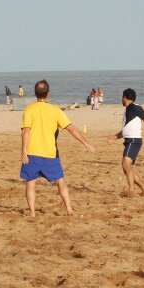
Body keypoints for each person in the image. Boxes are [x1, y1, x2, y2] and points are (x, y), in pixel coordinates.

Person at [20, 79, 94, 216]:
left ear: (36, 94)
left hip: (32, 152)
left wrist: (23, 150)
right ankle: (69, 210)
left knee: (31, 182)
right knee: (60, 181)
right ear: (48, 95)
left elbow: (26, 131)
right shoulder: (55, 110)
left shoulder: (29, 109)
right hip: (50, 153)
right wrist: (86, 143)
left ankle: (32, 212)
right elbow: (71, 128)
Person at [106, 88, 144, 197]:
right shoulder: (128, 111)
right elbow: (126, 129)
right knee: (127, 168)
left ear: (124, 97)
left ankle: (131, 190)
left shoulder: (135, 107)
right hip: (129, 141)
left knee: (126, 164)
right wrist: (115, 136)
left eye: (122, 97)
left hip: (134, 140)